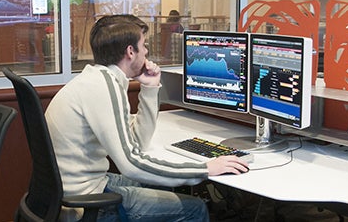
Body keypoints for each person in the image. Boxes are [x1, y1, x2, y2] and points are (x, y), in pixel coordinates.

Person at [45, 14, 250, 221]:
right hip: (85, 203)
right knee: (195, 209)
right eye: (144, 46)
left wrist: (150, 88)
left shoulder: (98, 79)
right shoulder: (103, 87)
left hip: (76, 189)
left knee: (155, 183)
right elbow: (131, 164)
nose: (146, 52)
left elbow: (137, 143)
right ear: (130, 51)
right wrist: (204, 169)